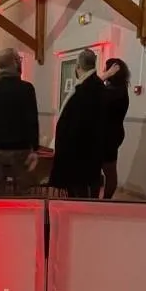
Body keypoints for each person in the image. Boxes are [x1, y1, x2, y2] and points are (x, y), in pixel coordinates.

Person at [0, 47, 40, 196]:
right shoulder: (26, 89)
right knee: (23, 193)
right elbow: (32, 121)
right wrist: (34, 148)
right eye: (19, 59)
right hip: (21, 150)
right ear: (15, 62)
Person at [49, 49, 106, 198]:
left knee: (78, 193)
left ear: (78, 66)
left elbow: (75, 125)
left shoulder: (84, 89)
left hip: (78, 154)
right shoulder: (98, 86)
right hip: (91, 151)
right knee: (87, 190)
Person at [100, 58, 131, 199]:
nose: (103, 71)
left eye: (106, 69)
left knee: (109, 171)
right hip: (113, 134)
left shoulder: (113, 92)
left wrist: (104, 77)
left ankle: (104, 201)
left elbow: (90, 88)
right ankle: (105, 200)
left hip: (107, 136)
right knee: (110, 170)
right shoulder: (120, 90)